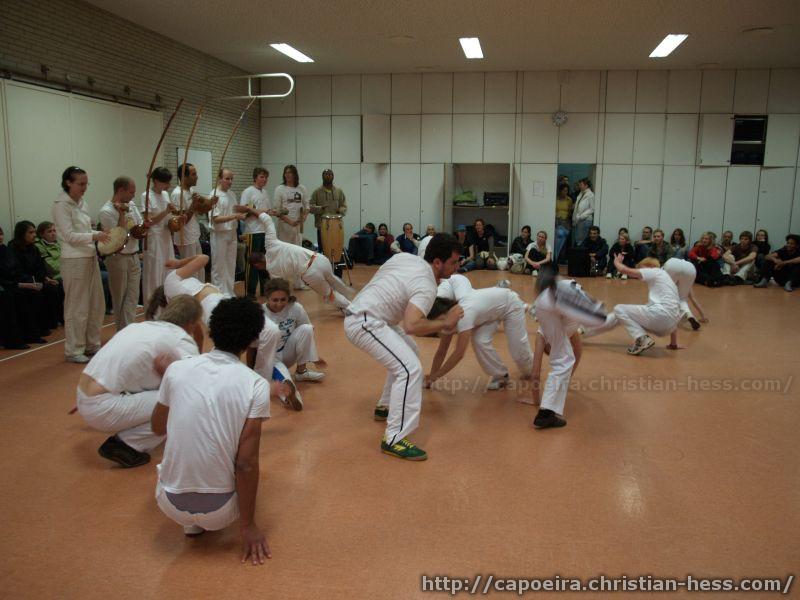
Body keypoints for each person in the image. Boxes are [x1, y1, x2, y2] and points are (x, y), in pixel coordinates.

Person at [151, 296, 278, 559]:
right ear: (252, 339)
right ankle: (206, 517)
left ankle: (191, 524)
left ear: (211, 330)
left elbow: (157, 427)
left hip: (169, 504)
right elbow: (246, 464)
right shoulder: (256, 384)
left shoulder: (176, 369)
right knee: (241, 458)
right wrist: (248, 526)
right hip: (221, 513)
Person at [343, 234, 464, 461]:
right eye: (453, 262)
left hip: (367, 314)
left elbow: (383, 277)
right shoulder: (427, 286)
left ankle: (385, 406)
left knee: (411, 352)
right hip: (365, 322)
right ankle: (394, 439)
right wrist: (446, 322)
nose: (457, 267)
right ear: (437, 262)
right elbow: (411, 325)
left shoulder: (405, 257)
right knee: (410, 370)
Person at [76, 295, 202, 468]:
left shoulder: (137, 326)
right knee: (183, 399)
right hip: (103, 406)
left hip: (84, 396)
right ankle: (128, 445)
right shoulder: (180, 339)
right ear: (192, 323)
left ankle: (130, 434)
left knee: (162, 386)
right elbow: (196, 384)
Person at [526, 273, 607, 429]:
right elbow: (577, 352)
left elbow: (535, 373)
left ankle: (545, 413)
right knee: (564, 358)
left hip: (555, 297)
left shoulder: (544, 334)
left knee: (564, 358)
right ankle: (545, 413)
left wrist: (536, 401)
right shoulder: (561, 330)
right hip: (558, 295)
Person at [426, 279, 533, 392]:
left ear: (445, 313)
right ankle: (501, 375)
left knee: (518, 351)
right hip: (490, 314)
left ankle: (532, 368)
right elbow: (441, 351)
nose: (440, 325)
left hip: (510, 304)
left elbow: (459, 354)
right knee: (480, 341)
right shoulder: (446, 322)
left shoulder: (463, 314)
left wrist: (435, 376)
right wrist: (431, 377)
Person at [53, 166, 110, 363]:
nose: (84, 187)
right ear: (68, 183)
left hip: (89, 256)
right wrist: (94, 236)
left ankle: (92, 344)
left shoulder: (82, 203)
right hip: (73, 259)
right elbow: (68, 235)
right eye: (81, 184)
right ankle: (74, 350)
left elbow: (85, 230)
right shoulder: (61, 205)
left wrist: (97, 234)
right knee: (77, 306)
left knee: (96, 303)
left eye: (86, 184)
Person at [249, 208, 355, 310]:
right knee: (332, 279)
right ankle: (347, 298)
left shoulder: (272, 271)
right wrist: (251, 210)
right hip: (320, 259)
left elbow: (283, 288)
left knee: (329, 294)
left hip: (311, 273)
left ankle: (351, 308)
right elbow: (267, 220)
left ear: (257, 265)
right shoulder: (270, 244)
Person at [583, 256, 681, 355]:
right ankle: (583, 332)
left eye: (641, 269)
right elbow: (672, 313)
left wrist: (617, 263)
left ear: (649, 266)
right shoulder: (667, 282)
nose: (639, 275)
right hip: (668, 326)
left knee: (619, 308)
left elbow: (624, 270)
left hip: (660, 316)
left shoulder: (655, 271)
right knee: (619, 316)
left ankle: (642, 338)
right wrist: (673, 344)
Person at [98, 176, 143, 330]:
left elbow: (138, 226)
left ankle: (129, 330)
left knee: (132, 297)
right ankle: (121, 332)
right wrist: (122, 214)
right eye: (131, 192)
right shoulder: (106, 211)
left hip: (134, 255)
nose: (133, 196)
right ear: (121, 190)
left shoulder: (131, 205)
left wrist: (143, 228)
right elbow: (119, 237)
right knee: (120, 298)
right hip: (118, 258)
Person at [262, 278, 325, 382]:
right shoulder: (260, 313)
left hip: (287, 352)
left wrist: (312, 355)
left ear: (288, 297)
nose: (279, 304)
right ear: (268, 298)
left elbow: (307, 331)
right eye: (275, 300)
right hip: (270, 358)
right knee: (288, 386)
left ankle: (301, 372)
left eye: (283, 299)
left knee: (307, 328)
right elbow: (253, 346)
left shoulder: (295, 307)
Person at [0, 226, 50, 348]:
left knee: (34, 292)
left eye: (1, 234)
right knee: (14, 297)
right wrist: (21, 284)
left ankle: (32, 332)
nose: (0, 237)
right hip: (6, 286)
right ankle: (13, 340)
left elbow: (17, 270)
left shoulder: (4, 250)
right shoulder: (12, 248)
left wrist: (30, 281)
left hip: (14, 282)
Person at [8, 220, 63, 330]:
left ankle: (55, 320)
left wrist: (45, 278)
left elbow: (40, 267)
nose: (34, 235)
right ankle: (38, 327)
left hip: (37, 279)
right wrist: (30, 282)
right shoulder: (13, 249)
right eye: (31, 233)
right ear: (22, 234)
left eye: (34, 232)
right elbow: (16, 270)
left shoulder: (33, 248)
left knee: (54, 287)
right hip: (22, 282)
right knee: (36, 293)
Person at [140, 166, 176, 305]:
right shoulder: (146, 195)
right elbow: (148, 221)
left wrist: (176, 218)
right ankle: (153, 308)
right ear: (155, 181)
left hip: (166, 236)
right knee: (154, 273)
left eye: (168, 182)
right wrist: (166, 211)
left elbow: (168, 218)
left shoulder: (165, 195)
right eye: (165, 182)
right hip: (154, 238)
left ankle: (167, 304)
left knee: (168, 270)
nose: (168, 185)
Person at [209, 168, 244, 296]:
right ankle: (218, 293)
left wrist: (243, 210)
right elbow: (215, 219)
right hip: (219, 233)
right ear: (220, 179)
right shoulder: (214, 195)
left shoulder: (232, 194)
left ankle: (229, 292)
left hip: (232, 232)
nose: (230, 182)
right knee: (219, 265)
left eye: (231, 179)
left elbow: (233, 210)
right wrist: (234, 216)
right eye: (227, 179)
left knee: (230, 263)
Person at [238, 168, 272, 297]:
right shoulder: (248, 192)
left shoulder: (265, 193)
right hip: (253, 232)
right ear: (255, 178)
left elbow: (267, 210)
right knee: (252, 262)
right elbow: (243, 212)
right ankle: (250, 292)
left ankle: (265, 289)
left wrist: (271, 211)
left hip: (265, 231)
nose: (264, 179)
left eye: (266, 177)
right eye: (262, 177)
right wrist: (259, 211)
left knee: (264, 261)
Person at [170, 163, 205, 282]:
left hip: (194, 235)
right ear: (184, 177)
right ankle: (192, 293)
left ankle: (200, 292)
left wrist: (206, 203)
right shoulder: (177, 194)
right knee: (191, 272)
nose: (197, 177)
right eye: (193, 174)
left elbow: (198, 212)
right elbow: (182, 221)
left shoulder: (191, 191)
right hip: (185, 238)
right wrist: (193, 205)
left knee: (200, 268)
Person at [663, 257, 708, 335]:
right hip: (690, 268)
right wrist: (703, 316)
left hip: (672, 265)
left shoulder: (665, 269)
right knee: (682, 299)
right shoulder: (684, 286)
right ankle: (688, 313)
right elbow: (693, 298)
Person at [309, 168, 347, 256]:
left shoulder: (339, 191)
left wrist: (340, 210)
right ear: (322, 177)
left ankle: (335, 263)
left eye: (330, 174)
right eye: (326, 174)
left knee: (336, 248)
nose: (328, 176)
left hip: (336, 226)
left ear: (333, 177)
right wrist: (320, 208)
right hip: (322, 226)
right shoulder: (317, 192)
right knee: (323, 250)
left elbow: (344, 205)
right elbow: (310, 207)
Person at [571, 178, 594, 246]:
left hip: (585, 220)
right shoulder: (581, 193)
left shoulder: (590, 195)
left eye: (581, 185)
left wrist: (581, 216)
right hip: (579, 220)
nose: (579, 186)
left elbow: (592, 209)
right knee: (578, 239)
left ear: (586, 185)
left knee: (582, 241)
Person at [554, 183, 573, 263]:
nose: (565, 192)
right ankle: (555, 257)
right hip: (557, 221)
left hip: (565, 222)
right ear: (560, 191)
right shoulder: (556, 199)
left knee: (564, 241)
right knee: (557, 239)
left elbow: (570, 212)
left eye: (567, 190)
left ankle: (562, 258)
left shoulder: (569, 200)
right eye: (564, 190)